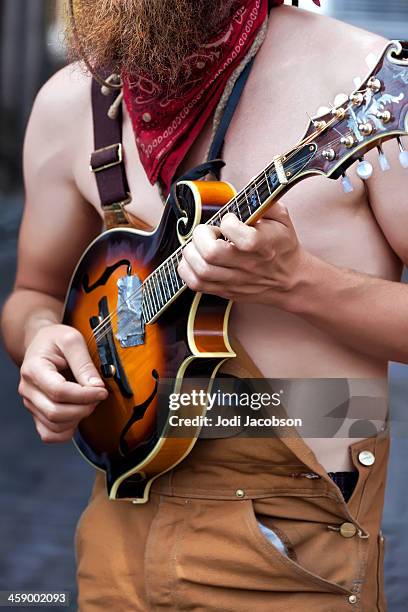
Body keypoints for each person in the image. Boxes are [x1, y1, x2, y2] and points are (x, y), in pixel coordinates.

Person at [1, 0, 406, 609]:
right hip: (119, 526)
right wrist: (37, 340)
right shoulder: (71, 103)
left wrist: (297, 281)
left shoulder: (367, 82)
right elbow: (31, 293)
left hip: (292, 538)